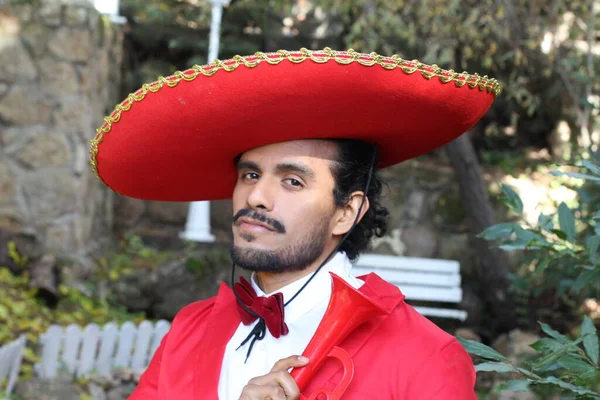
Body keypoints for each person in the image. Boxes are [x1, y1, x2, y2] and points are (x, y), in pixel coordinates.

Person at [90, 48, 500, 399]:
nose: (256, 197)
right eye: (250, 175)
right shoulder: (189, 329)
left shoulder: (425, 357)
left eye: (292, 181)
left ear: (347, 211)